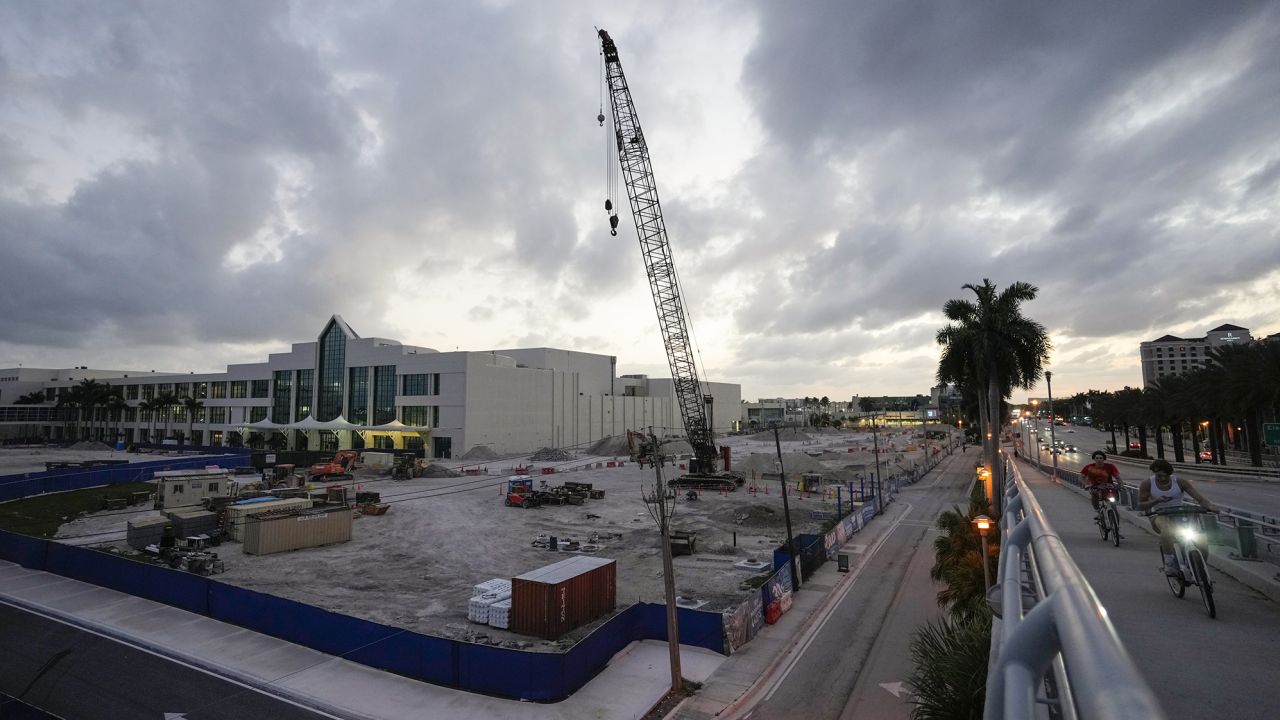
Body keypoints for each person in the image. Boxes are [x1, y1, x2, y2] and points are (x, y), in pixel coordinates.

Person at [1138, 458, 1216, 575]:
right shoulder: (1147, 484)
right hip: (1160, 515)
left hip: (1180, 513)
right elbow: (1140, 505)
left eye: (1165, 476)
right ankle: (1169, 563)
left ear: (1170, 474)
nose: (1162, 479)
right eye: (1159, 476)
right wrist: (1156, 501)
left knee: (1201, 539)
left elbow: (1199, 498)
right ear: (1154, 474)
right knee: (1168, 531)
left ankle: (1199, 567)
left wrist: (1210, 506)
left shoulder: (1180, 482)